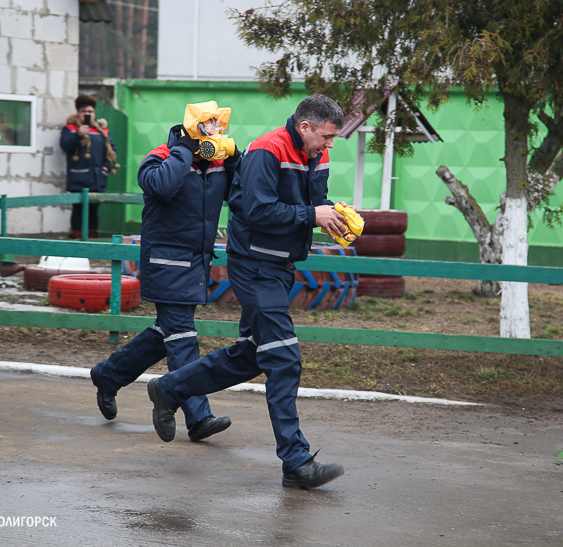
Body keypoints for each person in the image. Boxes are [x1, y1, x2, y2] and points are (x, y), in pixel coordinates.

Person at [147, 94, 352, 489]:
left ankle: (169, 387)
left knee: (253, 355)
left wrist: (329, 214)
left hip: (282, 267)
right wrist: (312, 215)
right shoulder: (265, 150)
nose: (329, 146)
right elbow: (254, 210)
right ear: (304, 126)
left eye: (332, 140)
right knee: (285, 358)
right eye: (326, 137)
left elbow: (312, 202)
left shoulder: (317, 155)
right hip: (253, 266)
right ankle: (296, 461)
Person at [90, 100, 241, 442]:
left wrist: (235, 158)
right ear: (193, 129)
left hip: (196, 262)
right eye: (210, 127)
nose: (216, 132)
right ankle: (198, 417)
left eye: (220, 127)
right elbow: (161, 187)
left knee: (167, 332)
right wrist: (183, 152)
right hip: (166, 263)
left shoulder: (216, 163)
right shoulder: (159, 157)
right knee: (182, 336)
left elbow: (243, 191)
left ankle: (108, 375)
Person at [59, 94, 119, 239]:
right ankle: (77, 235)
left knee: (93, 208)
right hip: (78, 177)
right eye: (84, 111)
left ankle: (92, 236)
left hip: (98, 178)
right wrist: (78, 135)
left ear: (94, 113)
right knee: (78, 208)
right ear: (78, 113)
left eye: (90, 112)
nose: (87, 114)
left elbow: (112, 150)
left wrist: (106, 167)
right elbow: (65, 145)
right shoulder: (71, 128)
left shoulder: (102, 130)